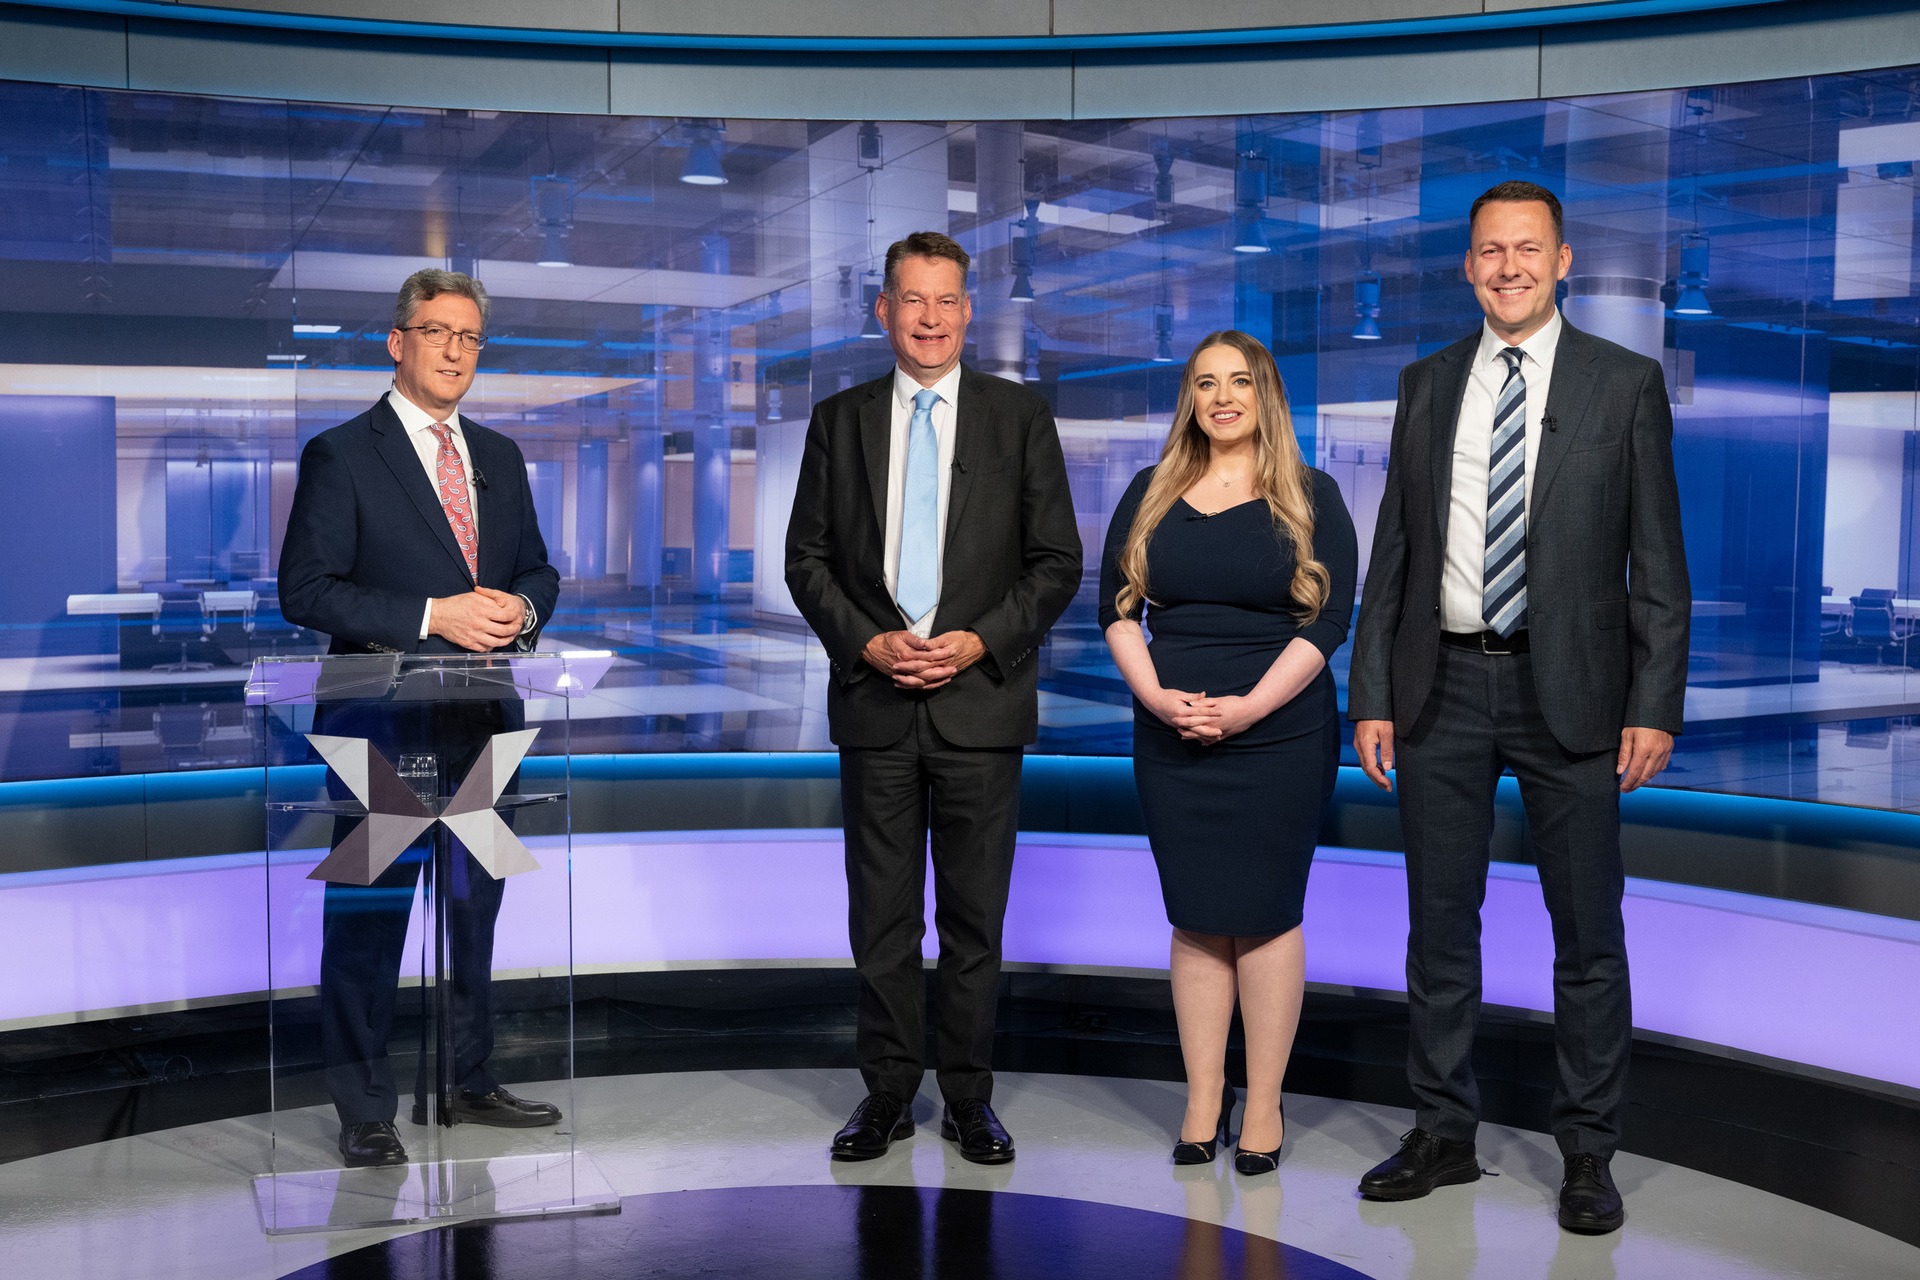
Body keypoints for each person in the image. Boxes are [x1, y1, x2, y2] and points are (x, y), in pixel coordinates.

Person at [1347, 181, 1690, 1233]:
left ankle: (1587, 1150)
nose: (1508, 266)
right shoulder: (1424, 383)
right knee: (1439, 927)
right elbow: (1393, 555)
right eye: (1490, 250)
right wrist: (1372, 693)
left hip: (1576, 695)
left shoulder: (1623, 384)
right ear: (1466, 265)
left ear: (1564, 259)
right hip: (1440, 687)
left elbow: (1660, 563)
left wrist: (1655, 700)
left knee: (1587, 934)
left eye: (1527, 248)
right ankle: (1444, 1132)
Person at [785, 231, 1082, 1164]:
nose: (930, 318)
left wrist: (980, 639)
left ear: (968, 311)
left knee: (972, 918)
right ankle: (884, 1094)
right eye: (912, 300)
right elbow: (807, 560)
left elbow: (1056, 562)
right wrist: (867, 640)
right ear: (883, 310)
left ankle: (967, 1097)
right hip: (874, 703)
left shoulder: (1018, 415)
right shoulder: (839, 419)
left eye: (947, 301)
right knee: (880, 916)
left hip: (980, 704)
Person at [279, 268, 562, 1169]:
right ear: (397, 342)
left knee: (475, 915)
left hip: (487, 721)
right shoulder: (342, 453)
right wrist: (436, 616)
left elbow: (539, 573)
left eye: (469, 337)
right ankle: (364, 1108)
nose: (454, 351)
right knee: (369, 922)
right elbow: (307, 589)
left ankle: (468, 1078)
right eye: (437, 332)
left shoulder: (501, 456)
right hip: (379, 731)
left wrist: (522, 613)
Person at [1097, 331, 1357, 1174]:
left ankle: (1267, 1103)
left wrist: (1246, 710)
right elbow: (1114, 608)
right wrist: (1154, 696)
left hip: (1279, 734)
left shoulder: (1312, 495)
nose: (1222, 397)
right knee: (1197, 915)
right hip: (1170, 736)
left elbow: (1330, 622)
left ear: (1266, 394)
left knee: (1268, 914)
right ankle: (1204, 1097)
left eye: (1239, 381)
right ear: (1191, 399)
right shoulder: (1151, 491)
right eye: (1206, 383)